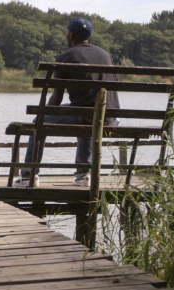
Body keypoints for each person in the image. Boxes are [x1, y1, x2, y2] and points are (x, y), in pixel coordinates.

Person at [15, 17, 120, 187]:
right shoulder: (105, 55)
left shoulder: (67, 56)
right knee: (85, 115)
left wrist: (44, 115)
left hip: (87, 116)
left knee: (38, 123)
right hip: (111, 118)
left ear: (71, 35)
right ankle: (84, 175)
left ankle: (28, 175)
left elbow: (56, 98)